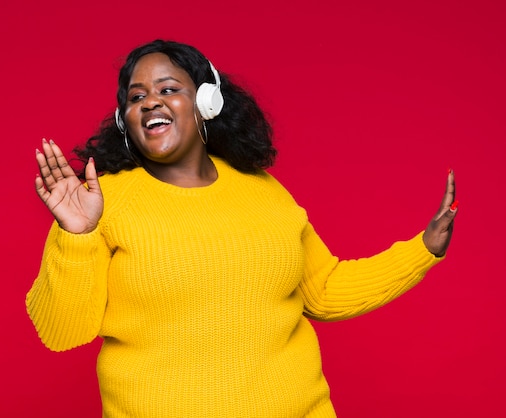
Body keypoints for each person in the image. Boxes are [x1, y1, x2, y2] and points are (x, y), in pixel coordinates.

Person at [26, 39, 457, 417]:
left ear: (207, 101)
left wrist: (424, 249)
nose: (150, 102)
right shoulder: (101, 202)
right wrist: (76, 236)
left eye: (169, 89)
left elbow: (322, 290)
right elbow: (64, 330)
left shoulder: (264, 190)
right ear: (126, 120)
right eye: (136, 97)